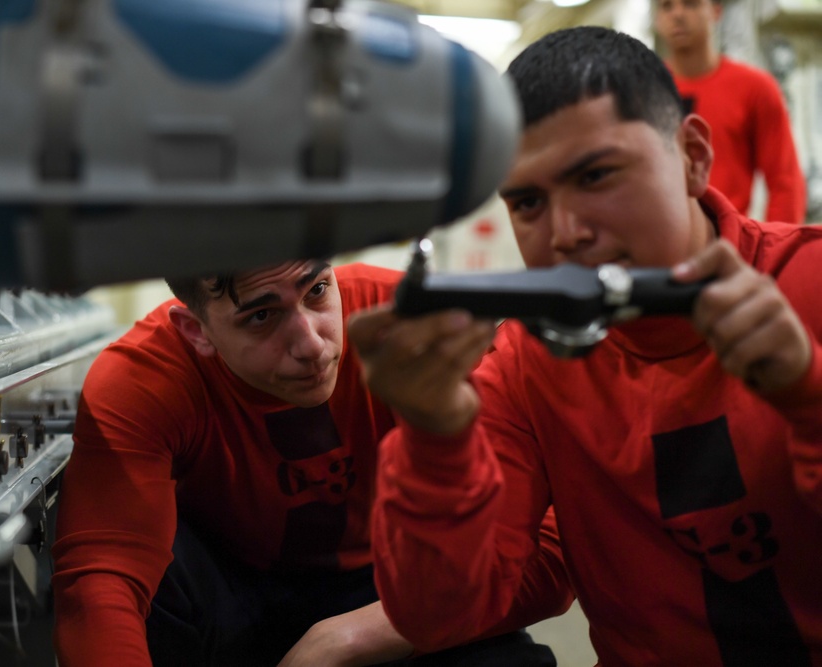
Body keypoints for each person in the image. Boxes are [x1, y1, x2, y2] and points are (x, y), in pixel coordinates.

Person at [351, 26, 822, 665]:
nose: (566, 234)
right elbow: (440, 616)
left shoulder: (810, 283)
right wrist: (434, 442)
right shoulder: (525, 364)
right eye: (527, 202)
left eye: (597, 175)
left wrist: (807, 393)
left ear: (692, 156)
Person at [51, 259, 572, 666]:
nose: (311, 343)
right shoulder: (143, 379)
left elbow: (552, 549)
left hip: (404, 590)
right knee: (154, 571)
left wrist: (347, 639)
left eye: (317, 291)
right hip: (238, 602)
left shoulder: (408, 324)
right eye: (261, 315)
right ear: (197, 331)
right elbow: (100, 583)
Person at [653, 0, 806, 224]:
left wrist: (772, 253)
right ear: (657, 19)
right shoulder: (643, 89)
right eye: (667, 6)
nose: (678, 15)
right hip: (657, 244)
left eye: (690, 4)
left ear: (715, 12)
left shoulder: (755, 88)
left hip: (728, 244)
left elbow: (786, 182)